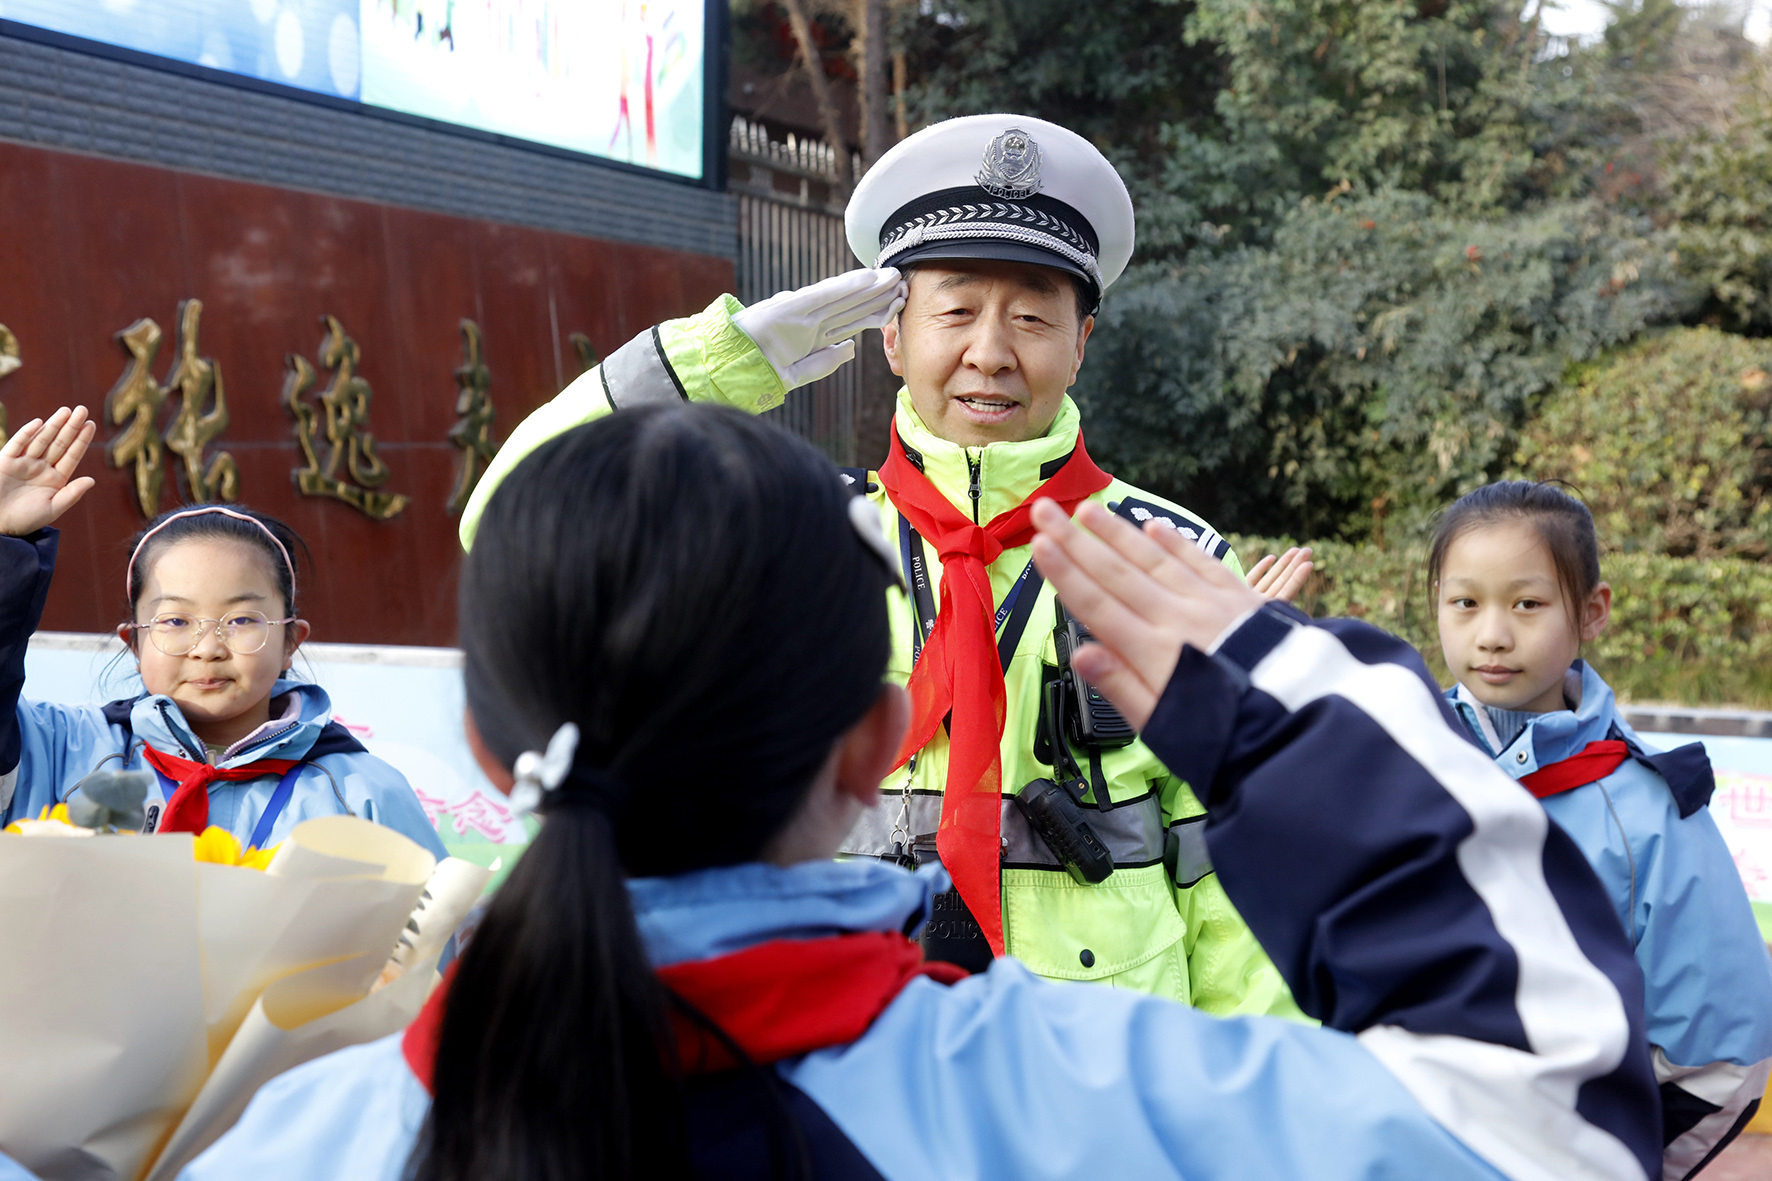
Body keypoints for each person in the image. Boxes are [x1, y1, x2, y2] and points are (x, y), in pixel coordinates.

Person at [184, 403, 1657, 1181]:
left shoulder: (297, 1141)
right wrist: (1287, 706)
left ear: (484, 745)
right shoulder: (1066, 1102)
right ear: (876, 739)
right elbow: (1550, 1133)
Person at [457, 113, 1312, 1011]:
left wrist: (1248, 1079)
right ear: (893, 336)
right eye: (955, 311)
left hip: (1106, 1063)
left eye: (1032, 315)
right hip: (838, 1039)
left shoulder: (1170, 560)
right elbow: (514, 529)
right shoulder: (799, 539)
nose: (991, 352)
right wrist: (713, 367)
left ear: (1081, 343)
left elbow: (1237, 875)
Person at [1431, 479, 1772, 1179]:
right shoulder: (1390, 761)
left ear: (1592, 611)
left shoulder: (1646, 808)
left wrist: (1613, 1163)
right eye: (1465, 602)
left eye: (1527, 604)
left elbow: (1721, 1051)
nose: (1492, 634)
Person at [0, 406, 445, 859]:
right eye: (175, 621)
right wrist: (3, 544)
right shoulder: (58, 750)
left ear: (291, 641)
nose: (208, 649)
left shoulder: (364, 795)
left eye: (241, 620)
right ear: (134, 643)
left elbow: (431, 907)